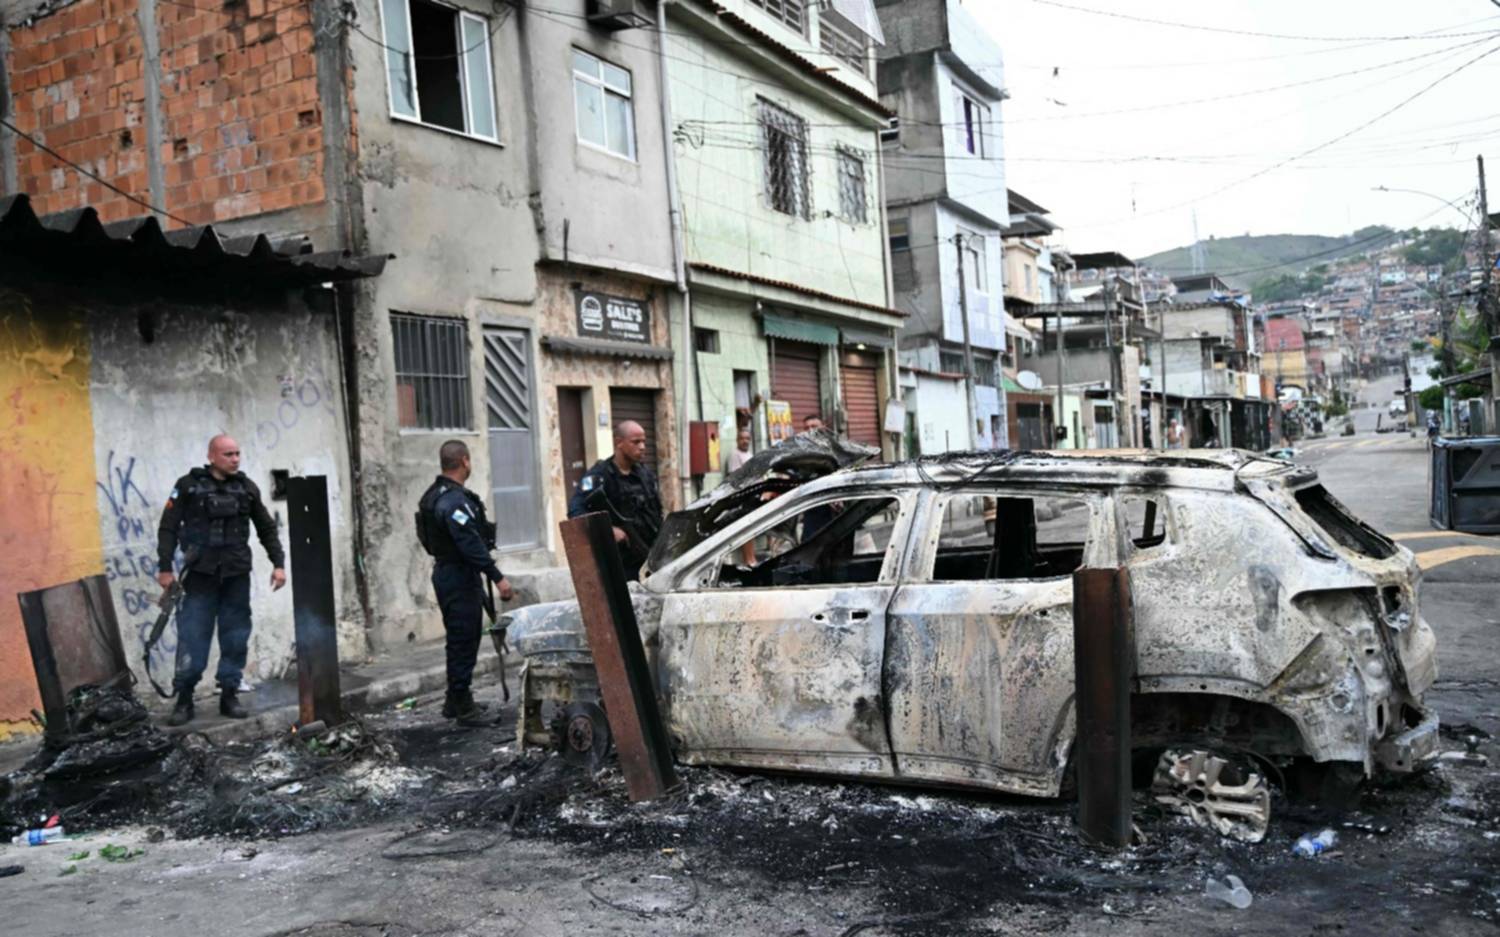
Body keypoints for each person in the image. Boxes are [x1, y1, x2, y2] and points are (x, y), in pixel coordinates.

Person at [157, 434, 286, 726]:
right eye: (228, 454)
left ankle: (229, 693)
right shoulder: (187, 486)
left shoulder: (247, 488)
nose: (235, 459)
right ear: (212, 456)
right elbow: (168, 528)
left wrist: (278, 564)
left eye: (238, 453)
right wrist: (165, 568)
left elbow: (266, 528)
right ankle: (185, 698)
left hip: (236, 576)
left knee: (235, 635)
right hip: (200, 577)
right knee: (193, 637)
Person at [416, 440, 515, 727]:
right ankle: (462, 706)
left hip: (451, 572)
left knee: (463, 637)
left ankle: (455, 700)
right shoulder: (453, 501)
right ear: (464, 461)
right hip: (458, 575)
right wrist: (498, 577)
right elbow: (469, 542)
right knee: (463, 638)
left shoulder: (434, 495)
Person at [568, 420, 664, 581]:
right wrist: (607, 530)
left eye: (643, 442)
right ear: (619, 443)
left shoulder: (645, 475)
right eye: (636, 442)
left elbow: (656, 512)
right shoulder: (598, 476)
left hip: (649, 556)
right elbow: (575, 511)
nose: (642, 447)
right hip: (619, 564)